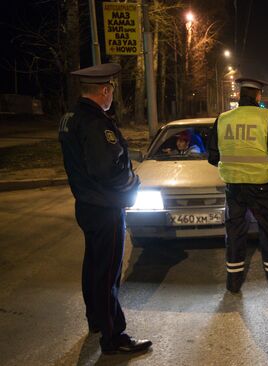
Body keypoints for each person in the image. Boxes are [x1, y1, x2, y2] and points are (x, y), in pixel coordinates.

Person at [58, 63, 152, 354]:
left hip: (87, 204)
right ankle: (114, 337)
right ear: (104, 90)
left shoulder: (70, 117)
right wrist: (133, 185)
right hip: (105, 207)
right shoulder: (96, 122)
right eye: (111, 90)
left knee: (94, 266)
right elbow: (107, 169)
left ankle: (96, 319)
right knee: (108, 272)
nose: (112, 96)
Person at [208, 77, 268, 293]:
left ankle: (233, 283)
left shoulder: (223, 119)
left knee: (235, 233)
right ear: (258, 96)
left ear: (239, 95)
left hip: (234, 187)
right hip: (262, 187)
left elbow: (212, 156)